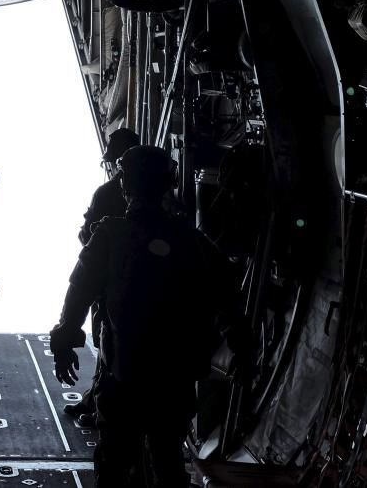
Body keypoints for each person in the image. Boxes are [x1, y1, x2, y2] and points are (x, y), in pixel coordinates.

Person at [49, 145, 235, 488]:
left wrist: (64, 338)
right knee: (167, 461)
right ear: (169, 183)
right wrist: (240, 340)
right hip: (173, 380)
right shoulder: (192, 241)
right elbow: (226, 291)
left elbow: (80, 289)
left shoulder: (110, 236)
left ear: (125, 186)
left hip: (125, 376)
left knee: (115, 464)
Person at [66, 127, 140, 428]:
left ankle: (101, 406)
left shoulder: (108, 203)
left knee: (110, 344)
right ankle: (96, 397)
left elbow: (82, 279)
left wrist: (66, 331)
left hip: (114, 288)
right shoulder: (176, 223)